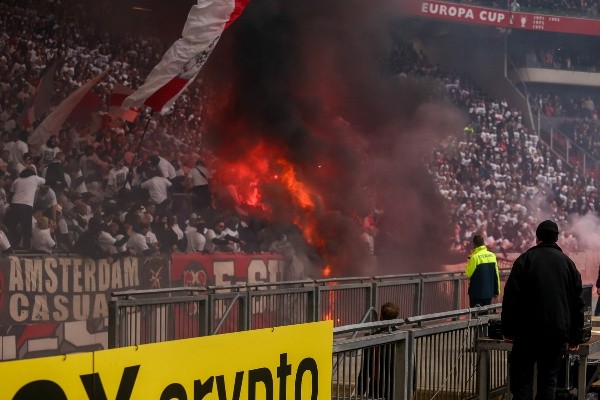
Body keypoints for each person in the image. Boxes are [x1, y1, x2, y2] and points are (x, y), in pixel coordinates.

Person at [502, 220, 585, 400]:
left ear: (537, 237)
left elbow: (511, 299)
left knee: (522, 381)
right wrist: (575, 337)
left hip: (527, 334)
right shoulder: (568, 264)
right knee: (548, 381)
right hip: (556, 334)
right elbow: (577, 304)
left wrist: (508, 330)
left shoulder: (525, 260)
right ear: (556, 238)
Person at [357, 302, 400, 400]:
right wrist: (412, 384)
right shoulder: (404, 337)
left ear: (381, 317)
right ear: (396, 319)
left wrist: (360, 391)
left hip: (377, 386)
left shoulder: (374, 339)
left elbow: (366, 367)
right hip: (398, 384)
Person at [465, 234, 500, 307]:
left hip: (476, 293)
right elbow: (496, 274)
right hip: (489, 293)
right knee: (486, 316)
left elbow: (468, 273)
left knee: (476, 316)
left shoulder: (474, 257)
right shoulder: (492, 255)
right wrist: (496, 291)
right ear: (483, 243)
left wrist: (469, 260)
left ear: (474, 244)